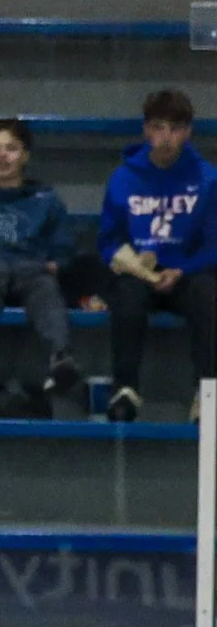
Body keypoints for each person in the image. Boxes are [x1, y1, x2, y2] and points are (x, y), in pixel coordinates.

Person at [96, 88, 217, 423]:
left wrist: (181, 269)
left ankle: (207, 394)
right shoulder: (123, 179)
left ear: (188, 132)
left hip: (188, 275)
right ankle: (125, 389)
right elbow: (108, 240)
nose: (166, 137)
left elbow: (213, 245)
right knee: (126, 295)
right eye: (159, 127)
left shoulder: (208, 179)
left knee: (210, 295)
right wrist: (129, 263)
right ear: (146, 129)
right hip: (140, 274)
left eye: (176, 128)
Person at [0, 116, 79, 414]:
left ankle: (60, 359)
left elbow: (63, 256)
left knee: (44, 285)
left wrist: (41, 268)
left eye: (11, 148)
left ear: (25, 155)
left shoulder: (47, 200)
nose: (3, 156)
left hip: (32, 272)